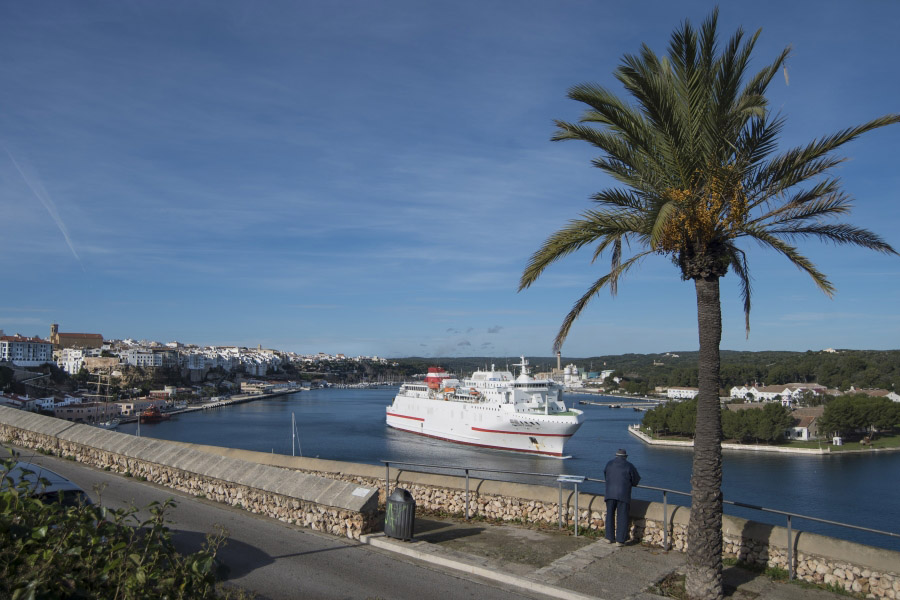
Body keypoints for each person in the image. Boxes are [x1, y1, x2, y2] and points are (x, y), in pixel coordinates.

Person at [603, 448, 640, 546]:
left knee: (610, 515)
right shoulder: (629, 466)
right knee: (622, 516)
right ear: (625, 457)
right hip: (623, 494)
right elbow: (636, 480)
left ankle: (609, 537)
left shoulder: (609, 464)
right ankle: (620, 540)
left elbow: (605, 475)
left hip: (610, 494)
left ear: (616, 456)